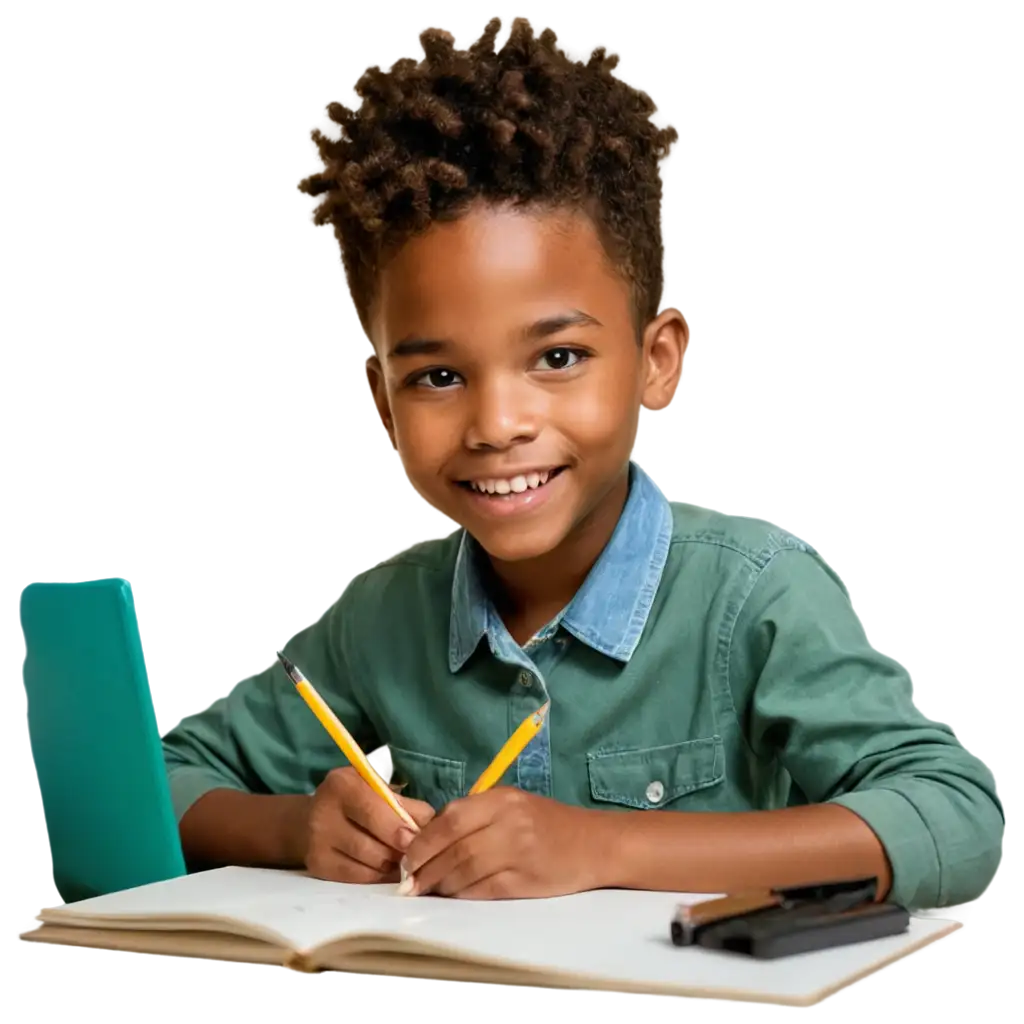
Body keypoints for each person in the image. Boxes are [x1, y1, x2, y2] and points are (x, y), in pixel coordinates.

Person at [161, 17, 1004, 910]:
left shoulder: (755, 597)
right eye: (439, 376)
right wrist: (295, 829)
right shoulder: (377, 618)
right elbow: (165, 781)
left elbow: (953, 816)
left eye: (557, 358)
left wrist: (605, 844)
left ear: (656, 359)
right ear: (382, 405)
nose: (497, 423)